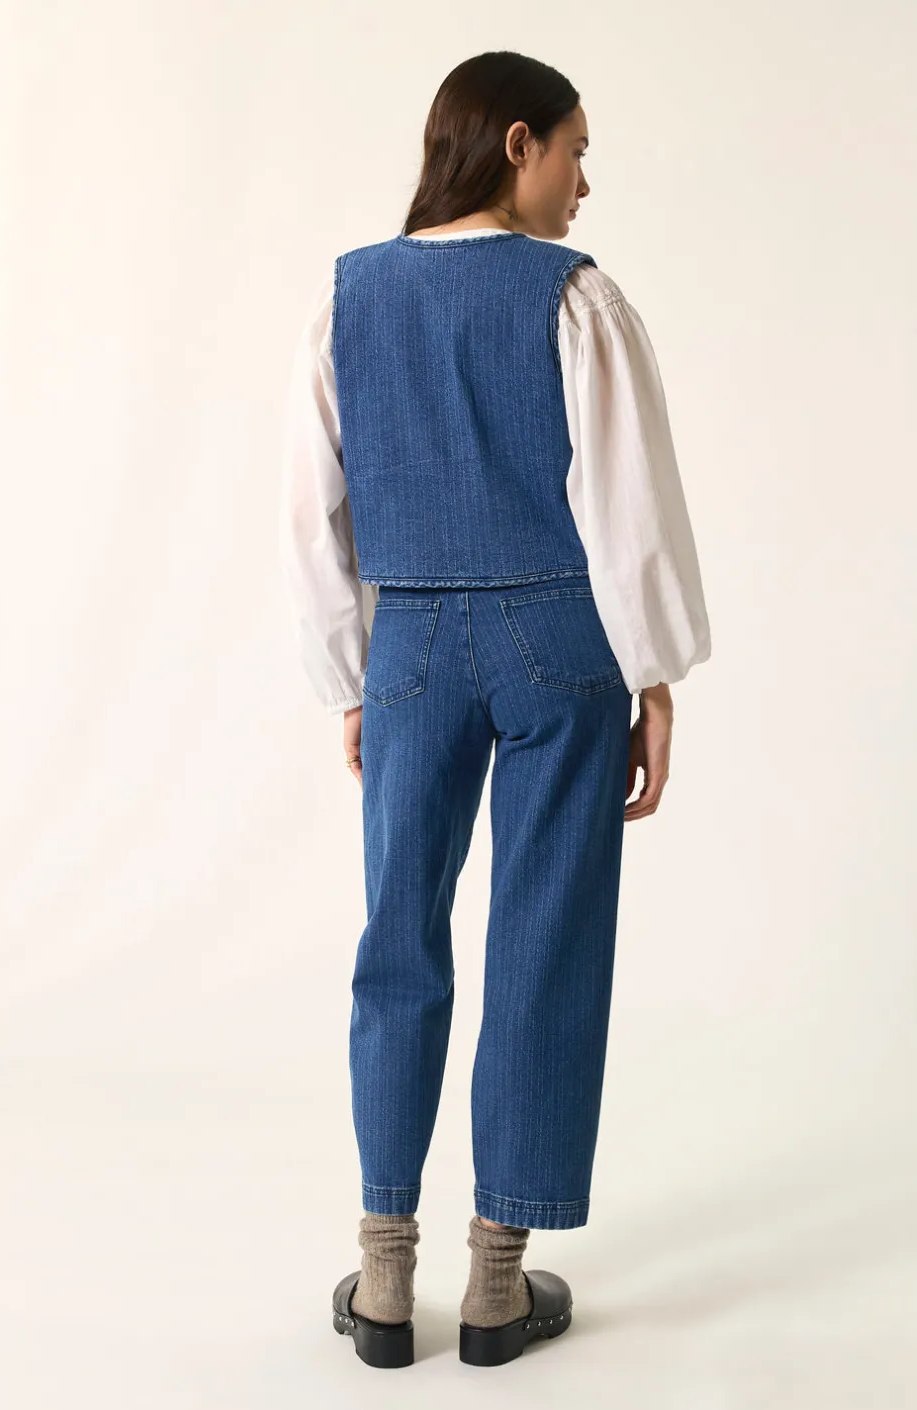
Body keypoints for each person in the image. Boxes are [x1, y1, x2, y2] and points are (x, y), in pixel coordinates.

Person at [279, 50, 711, 1369]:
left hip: (409, 643)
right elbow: (627, 504)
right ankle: (496, 1283)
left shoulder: (349, 297)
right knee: (544, 939)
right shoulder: (574, 297)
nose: (584, 182)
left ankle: (382, 1272)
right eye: (575, 150)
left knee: (397, 937)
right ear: (516, 143)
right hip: (555, 640)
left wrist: (353, 676)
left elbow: (312, 513)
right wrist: (653, 672)